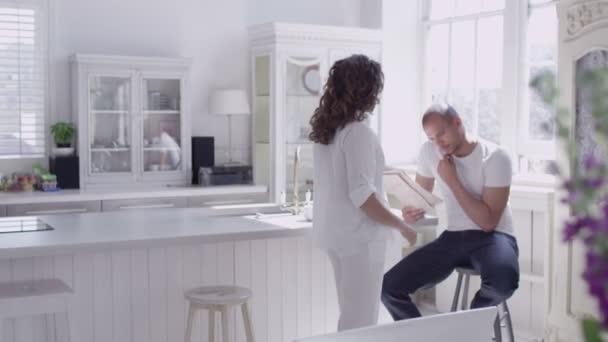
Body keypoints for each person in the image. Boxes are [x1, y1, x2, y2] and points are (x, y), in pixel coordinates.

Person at [381, 103, 519, 321]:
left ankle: (468, 327)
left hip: (494, 237)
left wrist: (452, 180)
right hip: (454, 237)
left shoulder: (496, 157)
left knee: (503, 282)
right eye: (431, 138)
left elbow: (488, 222)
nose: (438, 143)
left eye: (441, 133)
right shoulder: (429, 152)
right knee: (389, 287)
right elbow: (421, 198)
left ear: (458, 122)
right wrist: (412, 211)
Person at [310, 54, 417, 331]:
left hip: (337, 235)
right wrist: (401, 225)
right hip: (360, 240)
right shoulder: (358, 133)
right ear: (369, 90)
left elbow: (345, 186)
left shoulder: (328, 132)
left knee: (351, 318)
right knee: (361, 324)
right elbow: (362, 196)